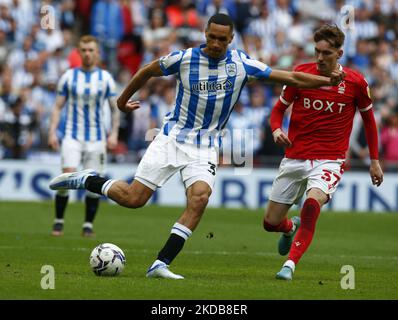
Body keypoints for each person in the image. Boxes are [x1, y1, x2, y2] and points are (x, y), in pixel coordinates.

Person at [49, 14, 344, 279]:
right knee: (133, 199)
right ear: (205, 33)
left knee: (200, 198)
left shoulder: (242, 64)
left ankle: (161, 264)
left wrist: (326, 81)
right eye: (211, 36)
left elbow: (291, 77)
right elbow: (147, 70)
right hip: (170, 138)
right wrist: (122, 100)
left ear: (231, 39)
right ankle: (88, 179)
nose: (215, 43)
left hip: (205, 148)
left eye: (221, 38)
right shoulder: (184, 58)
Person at [263, 24, 384, 281]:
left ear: (339, 54)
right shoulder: (300, 74)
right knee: (270, 223)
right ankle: (288, 228)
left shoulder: (356, 83)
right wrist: (276, 130)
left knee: (311, 203)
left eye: (326, 53)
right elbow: (277, 111)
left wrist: (374, 160)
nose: (319, 57)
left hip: (330, 159)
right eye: (317, 51)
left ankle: (290, 265)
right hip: (295, 156)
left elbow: (370, 122)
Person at [48, 35, 120, 237]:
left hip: (97, 139)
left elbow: (115, 110)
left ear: (97, 53)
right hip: (72, 136)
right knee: (66, 178)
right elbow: (57, 107)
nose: (87, 54)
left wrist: (113, 134)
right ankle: (59, 220)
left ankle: (88, 225)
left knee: (93, 183)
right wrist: (52, 131)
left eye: (91, 50)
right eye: (84, 50)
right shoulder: (69, 77)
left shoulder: (105, 78)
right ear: (79, 53)